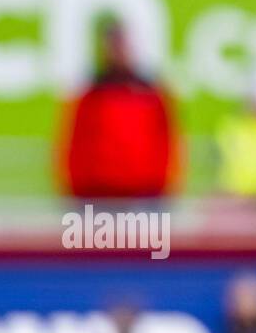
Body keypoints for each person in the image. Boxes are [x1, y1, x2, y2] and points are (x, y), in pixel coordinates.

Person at [57, 18, 179, 203]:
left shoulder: (151, 94)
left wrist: (162, 188)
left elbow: (168, 143)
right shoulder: (91, 94)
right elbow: (75, 144)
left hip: (145, 194)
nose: (119, 52)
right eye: (114, 45)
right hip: (97, 195)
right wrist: (77, 190)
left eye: (123, 44)